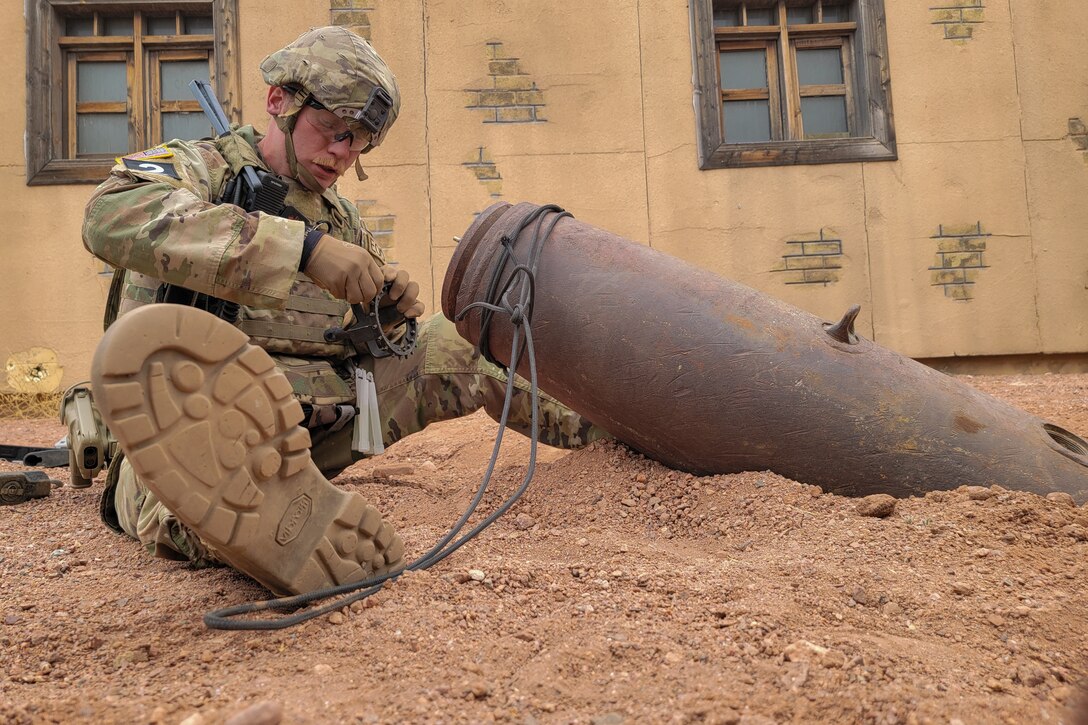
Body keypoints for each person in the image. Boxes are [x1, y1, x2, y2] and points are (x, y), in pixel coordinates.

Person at [81, 26, 606, 596]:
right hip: (185, 441)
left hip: (306, 440)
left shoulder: (342, 218)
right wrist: (300, 250)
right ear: (278, 102)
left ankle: (616, 436)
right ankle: (247, 527)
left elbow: (353, 350)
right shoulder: (200, 169)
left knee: (460, 340)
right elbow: (111, 213)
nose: (343, 154)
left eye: (359, 142)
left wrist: (388, 319)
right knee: (195, 501)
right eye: (332, 132)